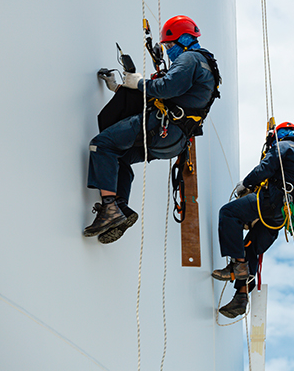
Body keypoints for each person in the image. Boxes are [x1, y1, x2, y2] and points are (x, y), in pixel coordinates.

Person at [84, 15, 219, 244]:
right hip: (174, 141)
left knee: (102, 144)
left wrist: (136, 82)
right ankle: (120, 209)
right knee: (120, 157)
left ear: (184, 39)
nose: (167, 51)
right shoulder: (208, 69)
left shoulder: (190, 59)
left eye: (169, 45)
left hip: (162, 127)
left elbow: (166, 89)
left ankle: (109, 208)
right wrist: (118, 88)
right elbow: (174, 97)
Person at [212, 121, 294, 318]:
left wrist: (246, 184)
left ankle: (238, 266)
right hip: (280, 217)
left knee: (229, 213)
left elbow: (265, 168)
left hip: (270, 202)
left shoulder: (283, 146)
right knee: (249, 247)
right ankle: (241, 297)